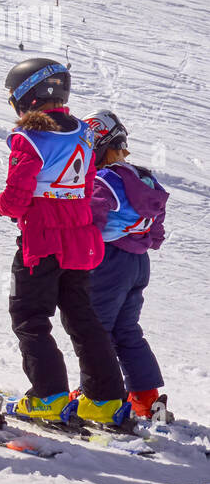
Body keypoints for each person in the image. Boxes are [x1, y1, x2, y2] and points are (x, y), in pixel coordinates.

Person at [0, 59, 130, 426]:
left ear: (27, 95)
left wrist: (2, 205)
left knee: (30, 316)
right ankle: (105, 399)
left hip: (41, 240)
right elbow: (85, 186)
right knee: (82, 317)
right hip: (79, 238)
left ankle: (49, 396)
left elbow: (17, 194)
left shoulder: (28, 138)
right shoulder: (84, 135)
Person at [85, 110, 170, 419]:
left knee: (98, 329)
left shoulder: (104, 180)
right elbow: (156, 221)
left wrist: (81, 247)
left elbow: (91, 219)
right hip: (138, 261)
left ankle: (97, 394)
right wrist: (146, 240)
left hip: (109, 262)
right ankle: (146, 398)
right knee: (127, 329)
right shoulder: (143, 177)